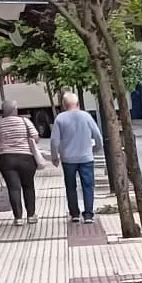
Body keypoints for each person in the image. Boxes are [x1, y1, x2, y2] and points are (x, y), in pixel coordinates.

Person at [0, 105, 47, 227]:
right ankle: (31, 216)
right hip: (26, 158)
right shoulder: (25, 121)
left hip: (6, 159)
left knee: (13, 188)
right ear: (15, 110)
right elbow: (36, 138)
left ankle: (18, 218)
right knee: (28, 186)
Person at [50, 92, 102, 223]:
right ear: (78, 103)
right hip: (86, 157)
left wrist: (54, 156)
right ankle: (89, 214)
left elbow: (54, 140)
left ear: (63, 104)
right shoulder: (86, 116)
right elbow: (98, 137)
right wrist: (94, 149)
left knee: (71, 186)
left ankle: (75, 214)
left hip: (68, 159)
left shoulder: (60, 119)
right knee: (88, 186)